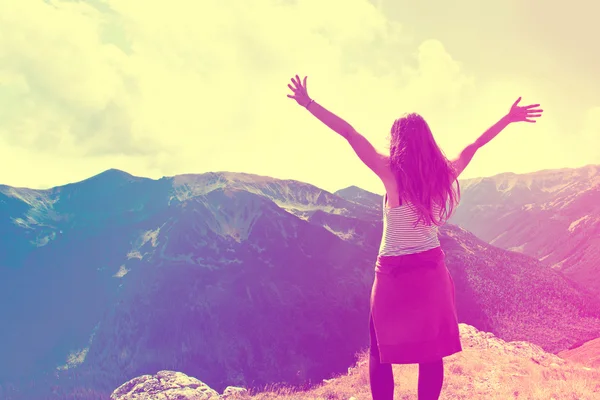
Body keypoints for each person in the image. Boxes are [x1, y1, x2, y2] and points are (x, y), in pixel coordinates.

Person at [286, 75, 543, 400]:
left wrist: (309, 103)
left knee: (379, 349)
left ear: (398, 141)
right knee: (431, 353)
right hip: (431, 272)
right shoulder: (445, 174)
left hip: (394, 274)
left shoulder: (390, 172)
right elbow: (474, 145)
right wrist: (507, 118)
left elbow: (349, 133)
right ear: (428, 140)